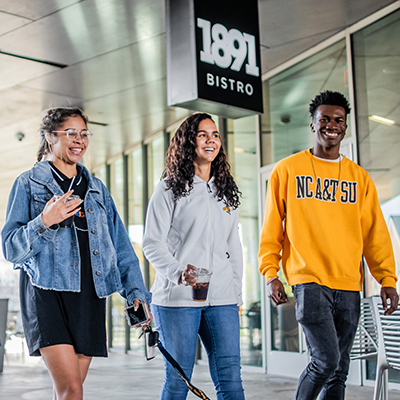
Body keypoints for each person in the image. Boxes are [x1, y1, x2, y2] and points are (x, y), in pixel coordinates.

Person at [1, 107, 151, 400]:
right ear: (49, 137)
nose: (79, 140)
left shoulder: (96, 189)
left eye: (84, 134)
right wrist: (45, 221)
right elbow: (10, 248)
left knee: (69, 392)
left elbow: (120, 246)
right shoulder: (28, 184)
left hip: (90, 296)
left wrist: (136, 292)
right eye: (71, 133)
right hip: (46, 293)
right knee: (72, 389)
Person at [258, 90, 399, 400]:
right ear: (313, 125)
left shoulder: (359, 178)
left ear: (345, 126)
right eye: (325, 119)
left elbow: (375, 234)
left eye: (339, 120)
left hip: (349, 286)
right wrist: (271, 274)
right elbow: (272, 230)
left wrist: (386, 279)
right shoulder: (288, 170)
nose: (332, 125)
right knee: (326, 361)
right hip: (309, 283)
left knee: (340, 371)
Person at [142, 113, 245, 400]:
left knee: (231, 378)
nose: (211, 140)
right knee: (178, 380)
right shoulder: (168, 189)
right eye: (203, 134)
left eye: (215, 135)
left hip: (221, 297)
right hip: (177, 298)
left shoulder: (226, 191)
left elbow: (232, 246)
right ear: (189, 142)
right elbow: (151, 243)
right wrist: (177, 271)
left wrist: (235, 292)